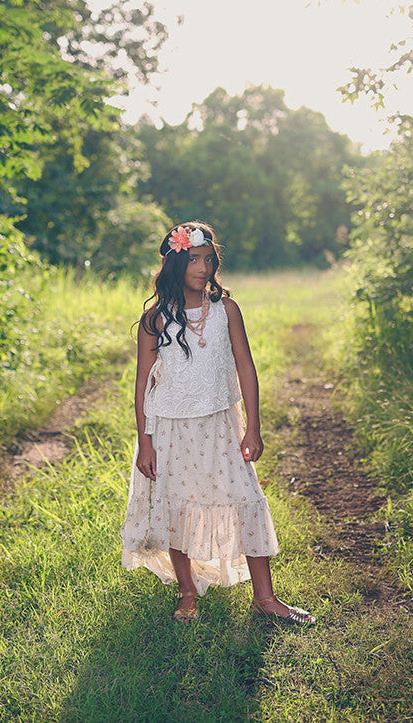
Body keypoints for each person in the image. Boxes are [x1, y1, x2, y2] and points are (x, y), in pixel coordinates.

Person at [121, 222, 315, 625]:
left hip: (220, 424)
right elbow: (143, 382)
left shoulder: (226, 309)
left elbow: (245, 365)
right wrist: (146, 441)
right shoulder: (156, 319)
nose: (203, 267)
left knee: (245, 496)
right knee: (177, 506)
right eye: (194, 259)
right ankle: (187, 590)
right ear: (176, 262)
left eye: (209, 260)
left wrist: (253, 427)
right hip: (171, 427)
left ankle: (266, 598)